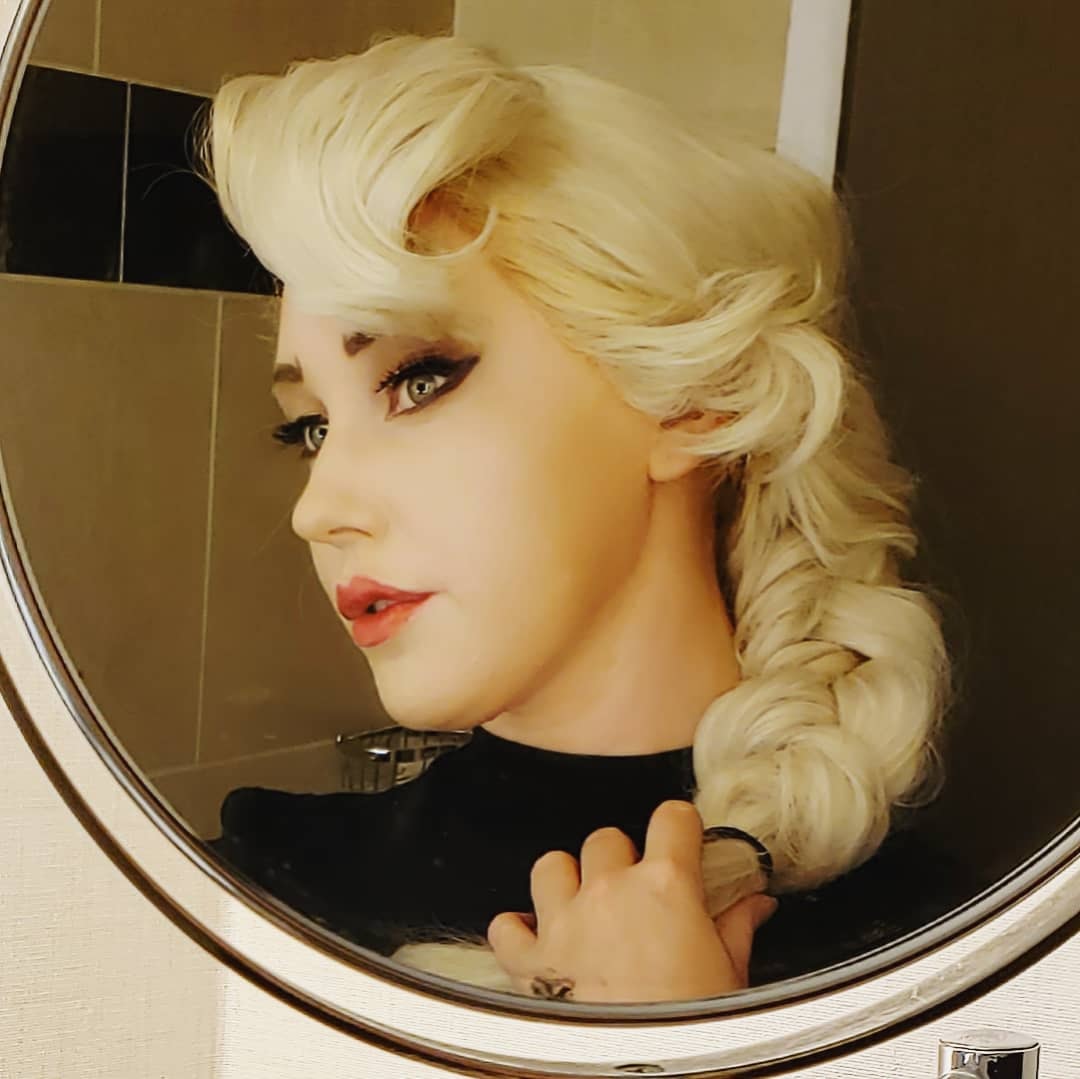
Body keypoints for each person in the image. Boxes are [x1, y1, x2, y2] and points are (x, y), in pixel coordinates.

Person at [194, 32, 953, 1004]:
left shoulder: (956, 956)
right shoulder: (251, 902)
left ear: (694, 399)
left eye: (418, 379)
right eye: (310, 426)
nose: (318, 509)